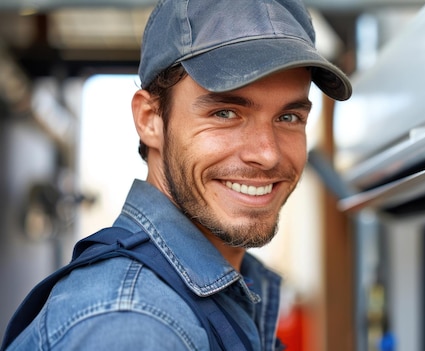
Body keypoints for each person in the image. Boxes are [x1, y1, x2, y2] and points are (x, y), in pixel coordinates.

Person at [2, 0, 351, 349]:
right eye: (225, 112)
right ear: (150, 119)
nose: (267, 153)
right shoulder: (134, 327)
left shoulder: (222, 292)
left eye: (289, 117)